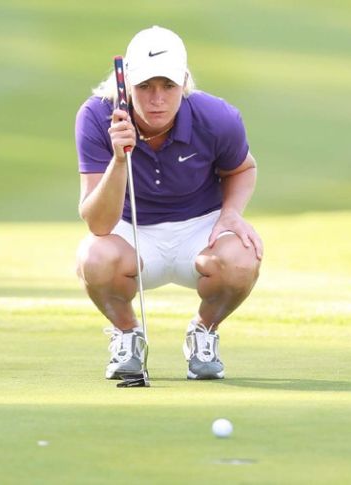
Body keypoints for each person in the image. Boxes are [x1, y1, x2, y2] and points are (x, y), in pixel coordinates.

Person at [74, 25, 263, 381]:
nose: (157, 99)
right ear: (127, 84)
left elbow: (243, 168)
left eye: (168, 86)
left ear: (184, 82)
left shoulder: (217, 118)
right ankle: (127, 335)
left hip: (200, 229)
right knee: (93, 258)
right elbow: (98, 223)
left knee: (243, 256)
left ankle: (203, 332)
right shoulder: (97, 117)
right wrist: (119, 160)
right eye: (145, 86)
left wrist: (231, 214)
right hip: (130, 231)